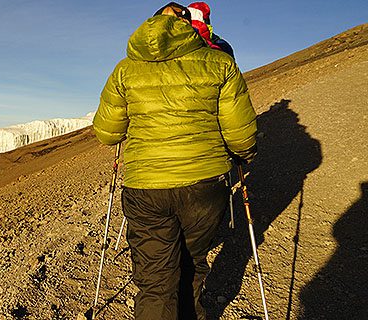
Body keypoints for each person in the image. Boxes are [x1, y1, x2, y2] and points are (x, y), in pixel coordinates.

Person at [92, 2, 257, 319]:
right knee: (193, 262)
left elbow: (107, 133)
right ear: (188, 24)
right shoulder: (220, 64)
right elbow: (241, 137)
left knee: (156, 282)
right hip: (205, 186)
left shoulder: (125, 70)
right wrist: (245, 154)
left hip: (145, 190)